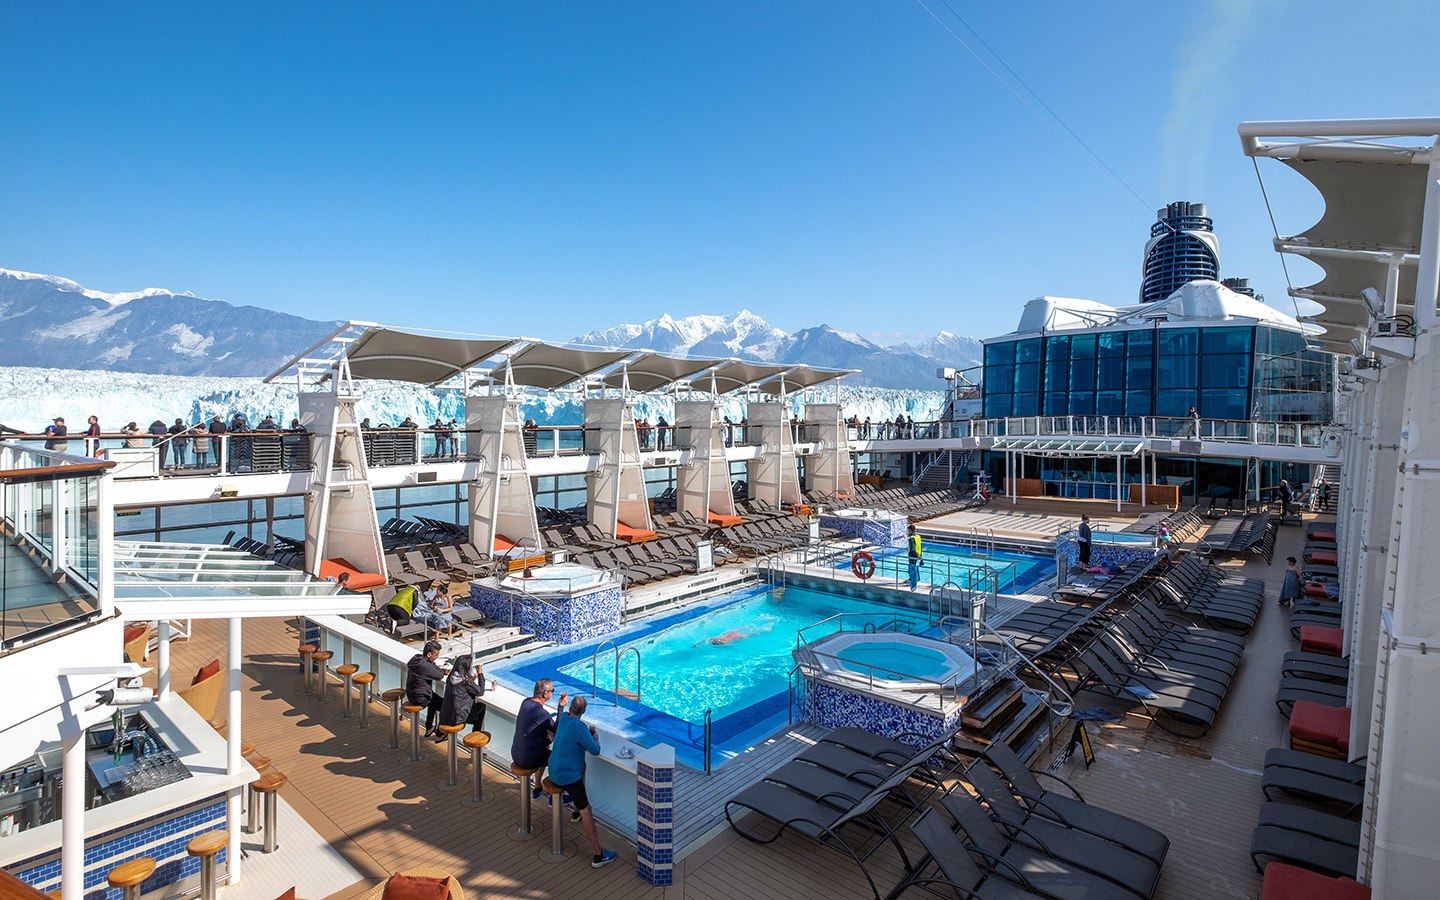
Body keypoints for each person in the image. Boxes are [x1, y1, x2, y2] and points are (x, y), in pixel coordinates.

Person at [549, 696, 618, 869]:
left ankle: (575, 812)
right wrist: (594, 737)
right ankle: (598, 854)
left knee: (583, 766)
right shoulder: (580, 727)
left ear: (571, 707)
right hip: (567, 777)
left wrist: (560, 705)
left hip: (554, 770)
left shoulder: (563, 718)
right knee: (587, 809)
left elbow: (563, 721)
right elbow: (595, 750)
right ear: (584, 711)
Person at [512, 679, 566, 796]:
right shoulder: (540, 712)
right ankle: (553, 796)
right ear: (545, 693)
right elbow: (557, 729)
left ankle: (537, 787)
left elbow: (532, 728)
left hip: (516, 753)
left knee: (545, 749)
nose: (552, 692)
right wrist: (560, 707)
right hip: (528, 759)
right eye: (552, 690)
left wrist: (545, 736)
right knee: (557, 759)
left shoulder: (525, 702)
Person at [436, 653, 487, 740]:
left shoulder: (450, 677)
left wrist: (471, 680)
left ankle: (440, 734)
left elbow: (461, 688)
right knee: (482, 706)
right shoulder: (466, 682)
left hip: (445, 716)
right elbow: (480, 691)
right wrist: (480, 674)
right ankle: (475, 736)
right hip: (457, 718)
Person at [405, 639, 449, 738]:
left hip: (412, 694)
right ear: (429, 655)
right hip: (420, 697)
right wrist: (443, 671)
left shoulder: (417, 659)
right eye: (436, 655)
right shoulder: (425, 666)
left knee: (434, 699)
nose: (437, 657)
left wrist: (440, 669)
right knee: (445, 706)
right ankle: (441, 733)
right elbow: (439, 676)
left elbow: (434, 667)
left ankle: (429, 727)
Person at [907, 524, 923, 591]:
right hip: (918, 555)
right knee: (914, 568)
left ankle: (913, 586)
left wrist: (916, 556)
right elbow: (920, 547)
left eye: (908, 530)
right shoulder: (918, 537)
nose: (908, 532)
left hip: (913, 556)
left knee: (912, 570)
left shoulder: (911, 539)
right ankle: (917, 578)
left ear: (910, 530)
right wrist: (920, 556)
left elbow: (913, 549)